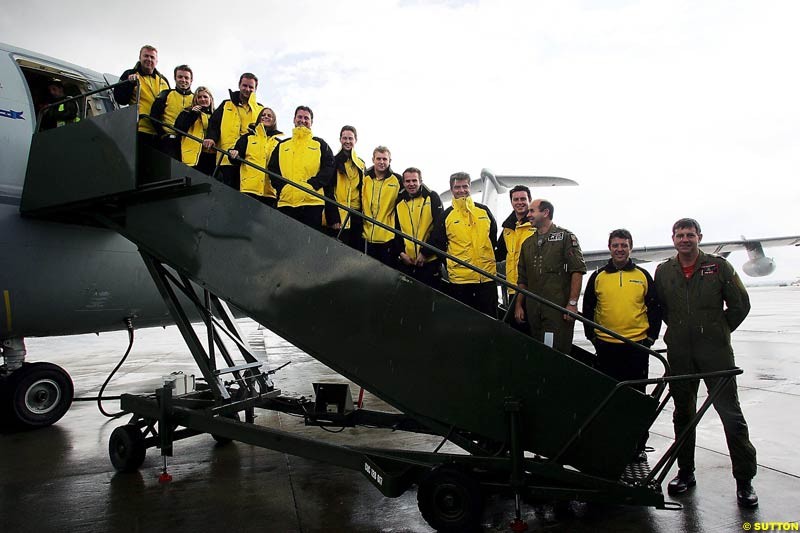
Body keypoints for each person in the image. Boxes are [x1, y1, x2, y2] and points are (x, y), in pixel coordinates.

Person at [654, 218, 758, 507]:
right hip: (680, 354)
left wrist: (717, 330)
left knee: (731, 417)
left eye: (690, 235)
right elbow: (662, 307)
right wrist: (680, 329)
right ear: (673, 238)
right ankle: (685, 472)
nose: (685, 239)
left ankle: (745, 480)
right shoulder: (664, 271)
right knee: (682, 415)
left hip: (716, 353)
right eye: (680, 235)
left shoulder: (718, 267)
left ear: (699, 237)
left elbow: (740, 304)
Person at [582, 228, 662, 461]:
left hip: (636, 347)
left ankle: (637, 447)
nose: (619, 249)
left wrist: (650, 338)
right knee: (609, 399)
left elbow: (655, 308)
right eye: (615, 245)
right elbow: (588, 309)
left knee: (637, 399)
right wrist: (593, 337)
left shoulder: (643, 275)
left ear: (630, 247)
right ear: (609, 247)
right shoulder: (598, 277)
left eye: (624, 245)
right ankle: (610, 444)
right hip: (607, 347)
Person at [514, 199, 586, 354]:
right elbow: (522, 279)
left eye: (532, 211)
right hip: (534, 309)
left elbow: (577, 270)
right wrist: (519, 305)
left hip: (557, 309)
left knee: (555, 351)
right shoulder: (527, 244)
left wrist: (572, 303)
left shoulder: (565, 237)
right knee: (538, 350)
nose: (529, 215)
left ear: (545, 213)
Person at [425, 172, 498, 317]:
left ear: (470, 187)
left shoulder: (484, 211)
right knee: (463, 320)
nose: (461, 190)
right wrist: (451, 265)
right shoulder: (446, 216)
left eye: (465, 186)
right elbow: (439, 243)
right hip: (460, 280)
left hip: (486, 277)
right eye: (457, 187)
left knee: (490, 320)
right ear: (451, 189)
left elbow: (493, 238)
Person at [268, 106, 334, 230]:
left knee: (309, 245)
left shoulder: (320, 144)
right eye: (299, 117)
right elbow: (272, 169)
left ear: (311, 122)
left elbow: (329, 167)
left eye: (306, 118)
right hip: (286, 202)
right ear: (294, 119)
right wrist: (283, 187)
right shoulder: (282, 145)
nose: (302, 120)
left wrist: (313, 184)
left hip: (312, 202)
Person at [203, 73, 263, 189]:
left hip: (249, 162)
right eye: (244, 85)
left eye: (251, 87)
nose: (247, 89)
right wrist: (211, 138)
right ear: (239, 85)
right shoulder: (226, 104)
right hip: (226, 159)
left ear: (255, 89)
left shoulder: (260, 110)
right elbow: (214, 124)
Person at [394, 167, 444, 288]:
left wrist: (424, 253)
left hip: (430, 262)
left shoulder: (432, 197)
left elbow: (439, 229)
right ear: (403, 183)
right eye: (408, 181)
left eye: (414, 181)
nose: (411, 184)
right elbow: (396, 230)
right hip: (407, 261)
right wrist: (401, 253)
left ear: (420, 181)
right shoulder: (399, 202)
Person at [113, 45, 170, 148]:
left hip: (160, 133)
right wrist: (129, 83)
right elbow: (120, 98)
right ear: (140, 58)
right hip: (140, 130)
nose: (149, 59)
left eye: (152, 57)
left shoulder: (164, 80)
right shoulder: (129, 74)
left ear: (156, 61)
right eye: (146, 56)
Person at [495, 185, 536, 326]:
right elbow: (497, 254)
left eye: (523, 199)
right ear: (511, 202)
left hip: (533, 289)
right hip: (513, 287)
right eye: (516, 199)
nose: (520, 202)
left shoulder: (536, 225)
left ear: (529, 200)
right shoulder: (507, 228)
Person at [230, 107, 283, 206]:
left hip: (269, 192)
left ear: (274, 120)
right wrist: (233, 153)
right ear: (258, 118)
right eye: (263, 115)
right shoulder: (247, 137)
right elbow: (236, 155)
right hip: (248, 188)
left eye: (269, 115)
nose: (266, 117)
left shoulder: (279, 143)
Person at [324, 125, 366, 249]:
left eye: (350, 138)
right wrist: (333, 217)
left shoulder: (361, 163)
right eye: (344, 138)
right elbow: (328, 189)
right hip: (339, 214)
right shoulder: (333, 160)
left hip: (356, 214)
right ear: (340, 139)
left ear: (355, 140)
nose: (347, 141)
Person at [361, 146, 402, 265]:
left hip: (387, 237)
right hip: (366, 235)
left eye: (385, 159)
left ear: (390, 161)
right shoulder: (364, 177)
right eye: (378, 159)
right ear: (373, 159)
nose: (382, 162)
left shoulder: (397, 180)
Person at [150, 65, 194, 159]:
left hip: (190, 142)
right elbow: (154, 116)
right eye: (180, 77)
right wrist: (162, 134)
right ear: (175, 78)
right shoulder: (165, 94)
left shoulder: (196, 99)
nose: (183, 80)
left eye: (186, 78)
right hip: (168, 142)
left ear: (191, 80)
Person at [174, 86, 215, 174]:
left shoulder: (216, 115)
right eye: (199, 97)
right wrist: (193, 115)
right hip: (193, 154)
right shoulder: (187, 112)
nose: (202, 99)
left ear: (211, 99)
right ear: (195, 99)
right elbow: (179, 129)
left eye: (205, 97)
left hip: (211, 154)